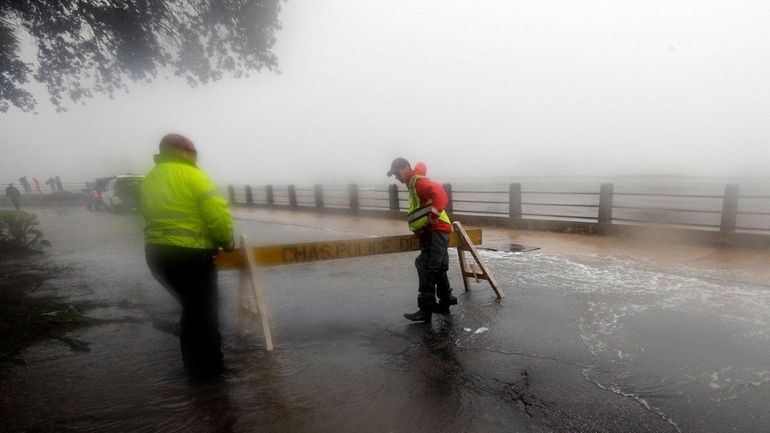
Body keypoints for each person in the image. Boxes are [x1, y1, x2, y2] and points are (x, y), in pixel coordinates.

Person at [140, 133, 235, 378]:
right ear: (179, 150)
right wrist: (227, 241)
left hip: (157, 256)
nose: (195, 155)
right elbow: (217, 215)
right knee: (205, 314)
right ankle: (212, 373)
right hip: (191, 256)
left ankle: (195, 368)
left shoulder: (150, 179)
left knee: (192, 311)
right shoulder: (193, 176)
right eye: (191, 150)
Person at [387, 157, 456, 323]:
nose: (396, 177)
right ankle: (445, 303)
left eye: (396, 173)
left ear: (405, 168)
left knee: (425, 266)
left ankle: (425, 310)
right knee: (438, 267)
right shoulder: (413, 184)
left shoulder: (418, 183)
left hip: (435, 231)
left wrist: (433, 216)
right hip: (434, 231)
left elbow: (440, 194)